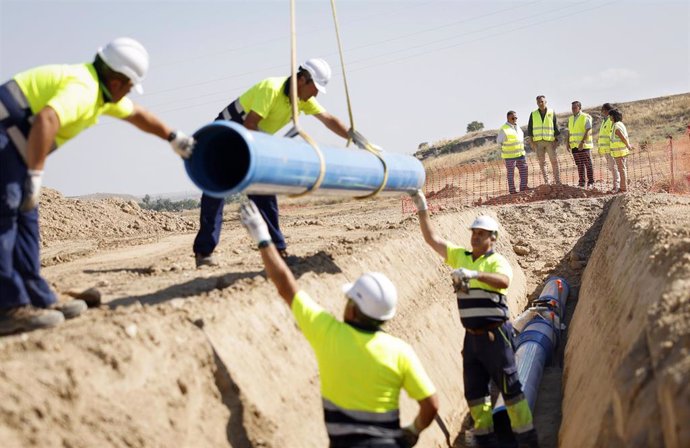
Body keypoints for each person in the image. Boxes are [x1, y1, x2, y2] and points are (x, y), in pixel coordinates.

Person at [0, 37, 196, 335]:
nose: (129, 92)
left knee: (27, 216)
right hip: (6, 144)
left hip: (15, 148)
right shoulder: (84, 89)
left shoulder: (98, 91)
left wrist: (173, 137)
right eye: (130, 86)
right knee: (6, 215)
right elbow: (46, 119)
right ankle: (8, 307)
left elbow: (138, 115)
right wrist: (36, 175)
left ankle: (36, 297)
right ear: (117, 81)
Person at [239, 200, 439, 447]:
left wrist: (262, 238)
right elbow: (431, 404)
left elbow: (286, 287)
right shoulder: (400, 352)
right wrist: (412, 430)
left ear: (354, 310)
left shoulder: (328, 333)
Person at [193, 58, 376, 268]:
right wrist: (273, 150)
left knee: (264, 192)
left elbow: (328, 119)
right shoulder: (271, 88)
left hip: (253, 141)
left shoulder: (302, 100)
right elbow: (250, 123)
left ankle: (278, 250)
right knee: (216, 192)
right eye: (315, 88)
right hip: (224, 137)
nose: (315, 94)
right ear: (301, 80)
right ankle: (204, 253)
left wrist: (356, 138)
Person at [409, 190, 538, 448]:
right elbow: (432, 239)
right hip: (472, 340)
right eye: (473, 233)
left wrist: (474, 276)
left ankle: (526, 439)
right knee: (476, 393)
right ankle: (484, 438)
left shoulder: (496, 262)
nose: (475, 237)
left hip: (496, 335)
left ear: (493, 238)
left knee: (511, 390)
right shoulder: (461, 256)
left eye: (481, 234)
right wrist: (422, 208)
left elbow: (503, 281)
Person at [527, 95, 561, 185]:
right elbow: (530, 129)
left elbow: (556, 127)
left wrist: (556, 141)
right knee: (542, 163)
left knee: (554, 161)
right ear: (537, 103)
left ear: (545, 102)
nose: (540, 103)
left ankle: (557, 181)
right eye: (538, 102)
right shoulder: (533, 114)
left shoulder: (551, 112)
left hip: (550, 142)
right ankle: (547, 182)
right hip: (538, 143)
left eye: (542, 101)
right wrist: (532, 142)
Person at [497, 111, 528, 194]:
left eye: (516, 118)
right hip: (510, 156)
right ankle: (512, 190)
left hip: (521, 155)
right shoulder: (504, 129)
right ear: (508, 118)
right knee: (511, 174)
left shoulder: (518, 127)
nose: (515, 119)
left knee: (524, 171)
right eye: (512, 118)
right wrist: (502, 153)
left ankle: (523, 188)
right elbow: (499, 142)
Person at [566, 101, 595, 187]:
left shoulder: (586, 117)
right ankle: (581, 182)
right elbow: (569, 132)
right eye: (572, 108)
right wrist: (567, 143)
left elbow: (588, 130)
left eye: (575, 108)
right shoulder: (570, 119)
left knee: (588, 164)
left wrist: (582, 142)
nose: (573, 109)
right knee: (579, 164)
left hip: (584, 145)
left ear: (579, 108)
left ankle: (591, 182)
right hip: (574, 145)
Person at [608, 109, 634, 192]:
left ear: (613, 116)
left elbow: (622, 136)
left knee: (621, 170)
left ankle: (623, 188)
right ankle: (623, 187)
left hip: (620, 152)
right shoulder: (620, 124)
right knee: (622, 169)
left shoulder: (616, 126)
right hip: (621, 151)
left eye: (610, 115)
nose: (609, 117)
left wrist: (628, 145)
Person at [596, 103, 619, 192]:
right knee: (611, 167)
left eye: (603, 110)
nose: (602, 112)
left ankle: (616, 186)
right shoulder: (604, 121)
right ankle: (615, 185)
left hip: (611, 148)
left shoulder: (611, 120)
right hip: (606, 149)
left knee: (614, 167)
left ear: (606, 110)